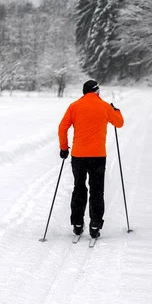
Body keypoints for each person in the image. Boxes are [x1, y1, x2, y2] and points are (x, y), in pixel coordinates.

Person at [58, 80, 124, 239]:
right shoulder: (105, 106)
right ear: (96, 91)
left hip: (78, 156)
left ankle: (77, 224)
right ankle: (95, 225)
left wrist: (64, 148)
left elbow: (62, 127)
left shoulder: (74, 106)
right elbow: (119, 123)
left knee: (79, 188)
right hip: (98, 156)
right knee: (96, 190)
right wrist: (117, 110)